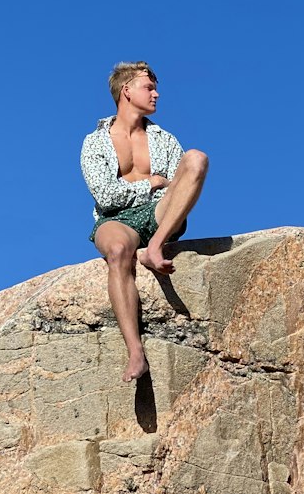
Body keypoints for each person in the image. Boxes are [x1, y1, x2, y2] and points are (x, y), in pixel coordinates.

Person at [81, 61, 209, 382]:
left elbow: (178, 187)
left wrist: (157, 187)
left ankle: (154, 247)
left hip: (158, 217)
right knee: (119, 251)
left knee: (196, 159)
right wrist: (150, 183)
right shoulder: (95, 142)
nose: (156, 94)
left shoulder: (165, 140)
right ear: (127, 91)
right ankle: (136, 353)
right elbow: (106, 197)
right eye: (148, 87)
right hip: (116, 220)